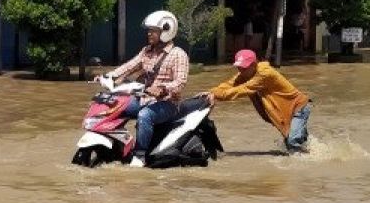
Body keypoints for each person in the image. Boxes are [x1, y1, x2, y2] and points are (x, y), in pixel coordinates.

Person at [100, 10, 190, 168]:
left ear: (166, 31)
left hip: (168, 103)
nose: (149, 34)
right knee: (114, 106)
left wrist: (163, 88)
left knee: (145, 115)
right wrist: (109, 76)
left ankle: (140, 155)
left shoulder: (178, 54)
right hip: (143, 98)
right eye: (149, 30)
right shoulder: (146, 51)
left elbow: (180, 82)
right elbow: (129, 66)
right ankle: (117, 146)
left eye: (153, 31)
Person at [200, 49, 311, 153]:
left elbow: (241, 90)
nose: (240, 70)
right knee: (293, 143)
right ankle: (310, 155)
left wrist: (216, 95)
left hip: (297, 108)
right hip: (284, 110)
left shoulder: (264, 73)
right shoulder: (246, 73)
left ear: (254, 64)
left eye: (244, 68)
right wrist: (211, 92)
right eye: (239, 67)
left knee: (293, 142)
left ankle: (302, 166)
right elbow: (229, 84)